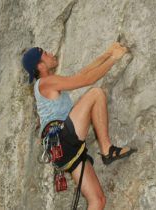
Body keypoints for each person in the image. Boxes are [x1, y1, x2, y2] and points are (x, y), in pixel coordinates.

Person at [22, 42, 136, 210]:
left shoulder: (49, 83)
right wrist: (114, 59)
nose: (51, 53)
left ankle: (107, 151)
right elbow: (87, 80)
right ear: (40, 65)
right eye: (46, 53)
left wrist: (107, 54)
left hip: (63, 150)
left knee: (98, 201)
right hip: (62, 139)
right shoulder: (45, 82)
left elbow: (82, 74)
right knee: (96, 94)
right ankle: (107, 150)